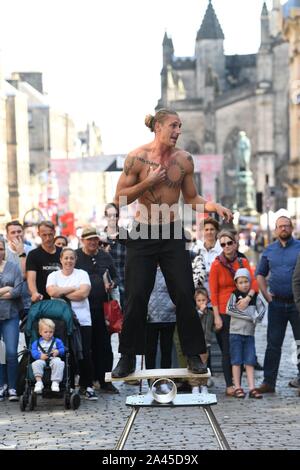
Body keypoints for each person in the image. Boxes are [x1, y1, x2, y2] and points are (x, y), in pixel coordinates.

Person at [111, 108, 232, 378]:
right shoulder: (137, 158)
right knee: (136, 296)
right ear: (158, 128)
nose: (178, 131)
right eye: (173, 126)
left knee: (184, 294)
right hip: (143, 232)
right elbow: (120, 197)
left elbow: (191, 198)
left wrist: (213, 206)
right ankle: (127, 357)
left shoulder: (184, 160)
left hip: (171, 232)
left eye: (180, 126)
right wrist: (149, 182)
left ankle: (193, 356)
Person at [209, 230, 257, 396]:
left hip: (242, 313)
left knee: (242, 347)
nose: (227, 247)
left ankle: (240, 385)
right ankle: (230, 385)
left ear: (235, 244)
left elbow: (254, 283)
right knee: (227, 350)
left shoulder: (242, 262)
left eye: (229, 243)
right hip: (223, 312)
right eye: (222, 244)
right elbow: (213, 293)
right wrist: (216, 317)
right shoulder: (216, 265)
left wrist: (248, 298)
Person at [46, 247, 97, 400]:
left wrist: (61, 291)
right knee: (64, 353)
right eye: (66, 258)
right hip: (60, 321)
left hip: (82, 320)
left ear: (75, 260)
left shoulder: (82, 274)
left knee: (84, 353)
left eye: (71, 258)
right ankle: (65, 385)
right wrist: (72, 288)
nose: (68, 261)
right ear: (61, 259)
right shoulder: (53, 275)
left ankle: (87, 385)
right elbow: (51, 292)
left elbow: (83, 294)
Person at [256, 215, 300, 393]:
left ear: (291, 228)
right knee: (273, 344)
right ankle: (269, 382)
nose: (283, 229)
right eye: (280, 226)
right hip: (276, 304)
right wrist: (266, 296)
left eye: (286, 226)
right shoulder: (269, 250)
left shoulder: (299, 247)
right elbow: (260, 274)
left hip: (297, 304)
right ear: (275, 230)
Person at [75, 226, 119, 393]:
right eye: (89, 240)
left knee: (105, 346)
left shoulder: (105, 256)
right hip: (82, 308)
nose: (93, 242)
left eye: (95, 239)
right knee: (85, 346)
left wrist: (112, 283)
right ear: (82, 241)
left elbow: (115, 276)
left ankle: (105, 380)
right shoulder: (77, 256)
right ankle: (86, 381)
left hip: (102, 307)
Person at [226, 268, 266, 399]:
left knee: (250, 361)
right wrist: (249, 317)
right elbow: (229, 310)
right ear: (236, 284)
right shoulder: (234, 295)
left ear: (249, 282)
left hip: (249, 334)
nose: (244, 284)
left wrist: (257, 318)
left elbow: (262, 309)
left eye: (246, 281)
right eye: (241, 282)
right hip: (235, 333)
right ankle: (237, 387)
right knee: (236, 361)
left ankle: (252, 387)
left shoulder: (254, 297)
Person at [0, 237, 23, 401]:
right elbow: (10, 290)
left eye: (1, 248)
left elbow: (16, 291)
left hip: (11, 315)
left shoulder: (14, 267)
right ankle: (2, 385)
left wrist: (9, 290)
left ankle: (13, 387)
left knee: (11, 352)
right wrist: (5, 289)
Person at [145, 265, 176, 370]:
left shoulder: (170, 269)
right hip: (150, 316)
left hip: (169, 315)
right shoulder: (145, 269)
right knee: (150, 351)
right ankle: (151, 382)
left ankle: (164, 382)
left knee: (166, 350)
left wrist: (174, 304)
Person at [26, 221, 61, 302]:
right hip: (41, 300)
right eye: (44, 235)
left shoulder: (62, 253)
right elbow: (31, 279)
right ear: (39, 234)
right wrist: (34, 293)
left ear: (54, 233)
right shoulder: (33, 255)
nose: (48, 238)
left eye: (50, 234)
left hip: (61, 299)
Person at [5, 220, 33, 319]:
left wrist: (21, 252)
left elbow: (24, 275)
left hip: (28, 302)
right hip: (9, 303)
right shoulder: (3, 253)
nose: (17, 235)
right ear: (7, 236)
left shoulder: (31, 251)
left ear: (23, 233)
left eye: (19, 231)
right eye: (13, 232)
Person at [190, 287, 214, 394]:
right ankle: (195, 385)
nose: (201, 302)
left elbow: (211, 327)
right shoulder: (194, 312)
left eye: (203, 300)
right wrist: (200, 311)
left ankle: (203, 384)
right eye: (199, 300)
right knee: (193, 365)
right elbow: (193, 324)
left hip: (206, 343)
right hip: (194, 344)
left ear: (207, 300)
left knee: (204, 365)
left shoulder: (210, 313)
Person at [31, 318, 65, 393]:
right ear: (40, 332)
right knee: (35, 364)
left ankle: (55, 382)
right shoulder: (36, 343)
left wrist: (58, 351)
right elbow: (33, 352)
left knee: (59, 363)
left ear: (53, 332)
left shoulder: (57, 341)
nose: (48, 334)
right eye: (45, 332)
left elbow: (63, 349)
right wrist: (39, 356)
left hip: (54, 358)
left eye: (51, 332)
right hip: (41, 359)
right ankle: (39, 382)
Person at [103, 203, 126, 310]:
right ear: (105, 216)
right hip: (103, 289)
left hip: (124, 287)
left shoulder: (126, 236)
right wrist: (102, 253)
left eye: (115, 215)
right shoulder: (98, 238)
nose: (113, 218)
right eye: (109, 215)